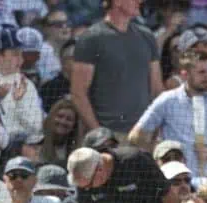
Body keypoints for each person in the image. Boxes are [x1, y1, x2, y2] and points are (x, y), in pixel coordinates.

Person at [128, 51, 207, 181]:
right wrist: (161, 153)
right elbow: (135, 137)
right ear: (185, 75)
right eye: (201, 72)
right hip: (177, 179)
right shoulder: (167, 100)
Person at [69, 0, 162, 138]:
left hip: (144, 134)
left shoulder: (147, 36)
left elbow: (157, 89)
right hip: (110, 136)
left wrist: (157, 129)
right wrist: (100, 134)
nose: (140, 1)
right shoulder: (91, 38)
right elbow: (78, 94)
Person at [0, 28, 44, 141]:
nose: (21, 60)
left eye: (21, 54)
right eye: (15, 54)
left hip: (26, 144)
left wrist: (19, 102)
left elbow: (36, 127)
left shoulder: (26, 83)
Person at [39, 98, 79, 169]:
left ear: (74, 125)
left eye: (69, 119)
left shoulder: (76, 150)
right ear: (51, 117)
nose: (63, 121)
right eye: (60, 116)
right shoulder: (37, 141)